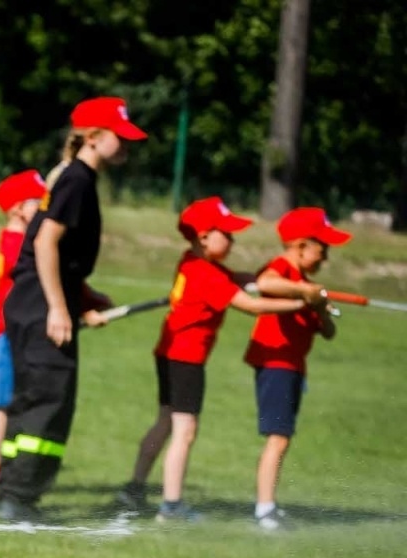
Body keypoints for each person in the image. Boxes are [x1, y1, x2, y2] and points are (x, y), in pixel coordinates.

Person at [0, 97, 146, 522]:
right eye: (121, 136)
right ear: (94, 138)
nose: (128, 145)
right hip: (41, 309)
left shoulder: (76, 179)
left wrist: (84, 296)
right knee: (47, 401)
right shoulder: (76, 181)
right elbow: (44, 244)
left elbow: (59, 255)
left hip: (33, 303)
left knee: (31, 400)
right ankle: (20, 498)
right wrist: (60, 308)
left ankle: (13, 494)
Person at [118, 197, 313, 520]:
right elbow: (250, 306)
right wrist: (299, 304)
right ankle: (172, 504)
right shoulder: (206, 275)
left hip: (168, 352)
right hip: (186, 357)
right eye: (227, 233)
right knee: (185, 429)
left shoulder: (193, 262)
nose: (233, 240)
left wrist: (277, 282)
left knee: (166, 421)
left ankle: (134, 488)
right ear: (205, 236)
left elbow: (242, 279)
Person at [241, 208, 348, 530]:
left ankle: (268, 505)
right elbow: (264, 283)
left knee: (282, 436)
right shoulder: (283, 270)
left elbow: (328, 333)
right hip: (275, 363)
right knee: (279, 437)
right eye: (322, 249)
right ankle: (264, 509)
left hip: (293, 367)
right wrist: (304, 293)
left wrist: (320, 308)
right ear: (301, 245)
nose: (325, 257)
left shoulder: (307, 285)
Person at [0, 170, 46, 497]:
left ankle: (2, 467)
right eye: (39, 202)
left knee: (12, 402)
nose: (46, 210)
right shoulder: (17, 243)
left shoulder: (26, 242)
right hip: (4, 332)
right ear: (18, 208)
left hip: (21, 331)